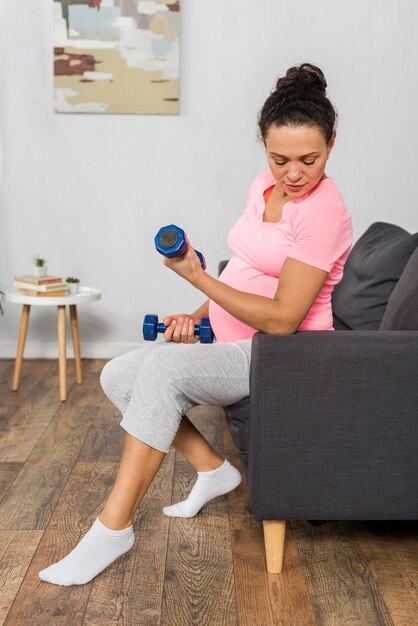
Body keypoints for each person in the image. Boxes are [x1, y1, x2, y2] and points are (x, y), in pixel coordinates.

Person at [39, 62, 352, 586]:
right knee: (117, 376)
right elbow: (248, 270)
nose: (293, 173)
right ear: (264, 149)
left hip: (285, 356)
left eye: (309, 159)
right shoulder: (264, 187)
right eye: (279, 159)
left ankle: (112, 532)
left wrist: (196, 279)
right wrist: (201, 314)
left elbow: (281, 319)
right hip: (233, 338)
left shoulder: (322, 212)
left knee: (162, 371)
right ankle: (214, 470)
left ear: (332, 145)